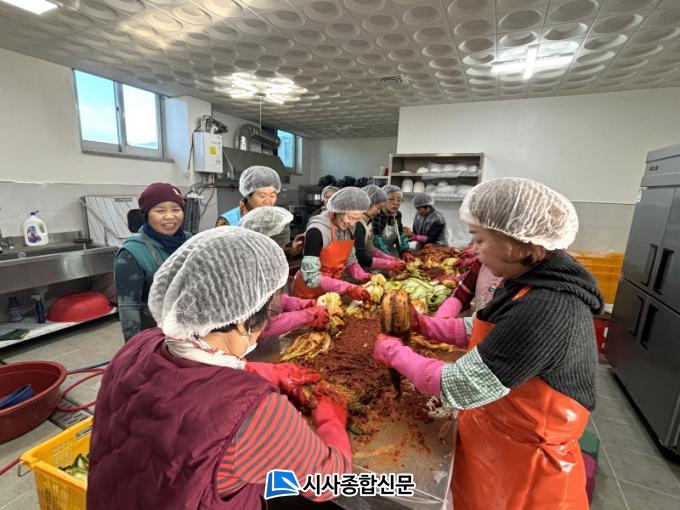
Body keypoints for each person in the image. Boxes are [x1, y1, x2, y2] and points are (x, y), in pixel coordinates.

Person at [373, 177, 603, 510]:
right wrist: (426, 325)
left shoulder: (548, 308)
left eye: (480, 239)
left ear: (515, 244)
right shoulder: (528, 283)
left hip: (527, 474)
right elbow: (485, 329)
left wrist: (395, 353)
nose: (475, 250)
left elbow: (457, 385)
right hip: (499, 442)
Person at [89, 228, 351, 509]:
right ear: (242, 321)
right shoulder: (259, 414)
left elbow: (184, 380)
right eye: (270, 313)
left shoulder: (138, 345)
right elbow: (328, 482)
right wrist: (330, 414)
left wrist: (261, 371)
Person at [115, 183, 192, 341]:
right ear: (147, 215)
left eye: (176, 209)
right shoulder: (132, 252)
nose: (170, 216)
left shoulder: (191, 241)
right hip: (156, 336)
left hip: (192, 330)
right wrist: (136, 347)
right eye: (160, 210)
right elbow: (129, 307)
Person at [239, 206, 329, 338]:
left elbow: (270, 300)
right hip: (245, 345)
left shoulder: (263, 264)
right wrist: (306, 315)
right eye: (279, 247)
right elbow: (257, 327)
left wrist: (298, 304)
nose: (280, 253)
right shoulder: (246, 273)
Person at [292, 187, 373, 301]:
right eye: (350, 217)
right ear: (337, 211)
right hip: (307, 294)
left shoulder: (349, 227)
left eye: (357, 219)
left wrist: (363, 275)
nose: (352, 223)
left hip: (332, 292)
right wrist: (347, 288)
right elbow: (311, 277)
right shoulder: (316, 231)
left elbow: (350, 260)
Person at [355, 185, 406, 273]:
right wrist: (387, 263)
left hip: (364, 265)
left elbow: (370, 248)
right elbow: (361, 256)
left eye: (399, 200)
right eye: (378, 208)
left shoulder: (368, 221)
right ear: (368, 204)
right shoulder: (358, 224)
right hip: (355, 268)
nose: (379, 211)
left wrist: (389, 258)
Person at [372, 185, 414, 262]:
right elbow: (377, 240)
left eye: (399, 200)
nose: (396, 203)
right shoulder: (377, 215)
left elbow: (400, 234)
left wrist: (404, 251)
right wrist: (388, 258)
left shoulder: (397, 215)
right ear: (383, 200)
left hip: (387, 256)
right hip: (373, 259)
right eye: (391, 199)